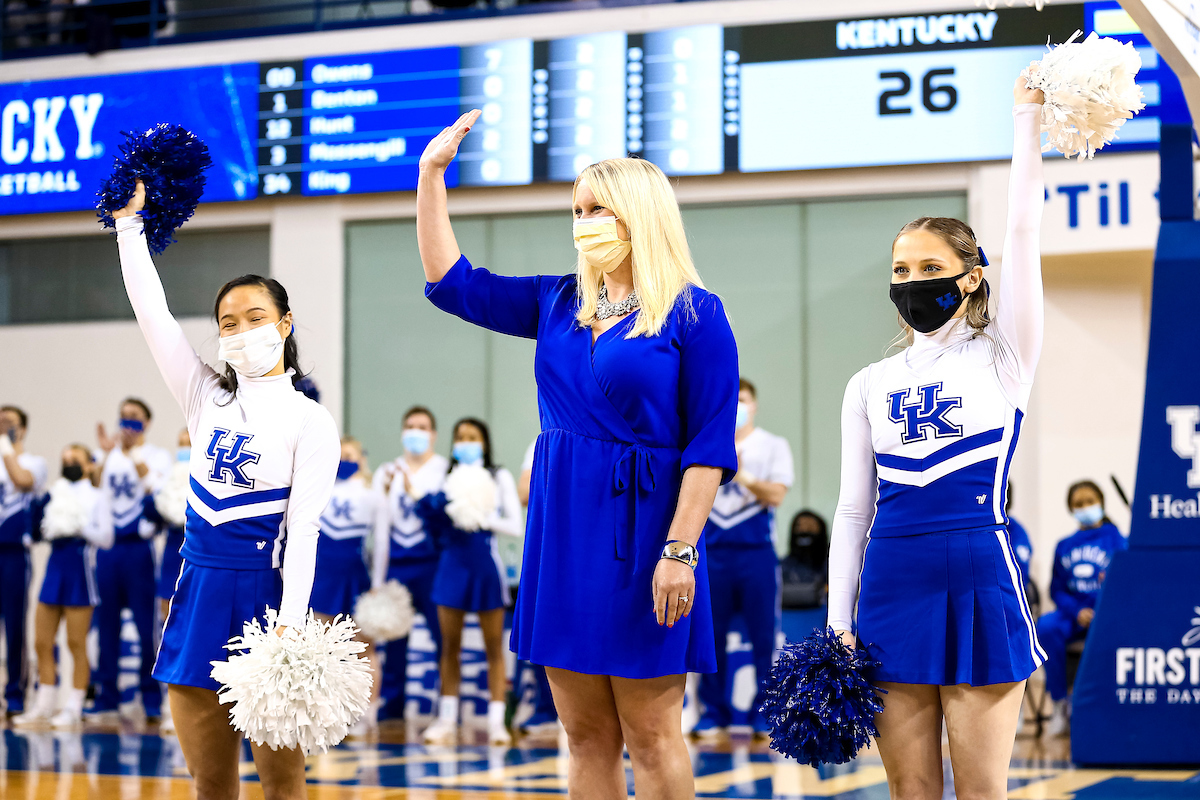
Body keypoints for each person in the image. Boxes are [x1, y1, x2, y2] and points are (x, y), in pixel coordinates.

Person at [418, 111, 738, 798]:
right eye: (577, 208)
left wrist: (680, 551)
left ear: (639, 215)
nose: (583, 220)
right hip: (562, 537)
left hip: (650, 537)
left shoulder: (696, 314)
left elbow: (708, 448)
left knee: (653, 736)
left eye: (599, 208)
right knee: (584, 735)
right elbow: (452, 282)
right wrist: (431, 177)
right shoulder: (555, 301)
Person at [828, 75, 1047, 800]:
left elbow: (1022, 230)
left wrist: (1027, 115)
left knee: (982, 791)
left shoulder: (1005, 355)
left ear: (973, 277)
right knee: (910, 792)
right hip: (890, 583)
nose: (913, 283)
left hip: (978, 574)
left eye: (930, 269)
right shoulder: (868, 383)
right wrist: (838, 622)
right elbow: (854, 513)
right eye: (901, 271)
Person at [113, 180, 339, 799]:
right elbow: (152, 316)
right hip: (199, 591)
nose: (240, 332)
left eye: (255, 319)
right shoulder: (204, 396)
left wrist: (291, 626)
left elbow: (305, 532)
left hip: (268, 604)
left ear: (284, 323)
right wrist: (130, 230)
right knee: (209, 784)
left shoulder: (309, 420)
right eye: (227, 324)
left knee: (282, 788)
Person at [695, 377, 792, 738]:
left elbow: (777, 494)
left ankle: (764, 712)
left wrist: (741, 472)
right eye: (732, 400)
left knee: (764, 636)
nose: (738, 407)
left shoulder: (772, 446)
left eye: (744, 400)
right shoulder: (705, 442)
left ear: (754, 405)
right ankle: (713, 713)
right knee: (710, 636)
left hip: (756, 553)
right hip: (712, 551)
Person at [420, 417, 522, 745]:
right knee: (449, 647)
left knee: (495, 648)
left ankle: (496, 722)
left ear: (485, 442)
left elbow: (515, 526)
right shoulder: (444, 476)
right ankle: (447, 719)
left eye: (472, 437)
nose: (465, 442)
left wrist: (481, 515)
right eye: (460, 437)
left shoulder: (499, 476)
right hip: (451, 565)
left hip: (484, 567)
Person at [14, 445, 112, 727]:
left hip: (80, 570)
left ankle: (74, 705)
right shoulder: (54, 494)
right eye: (65, 459)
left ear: (89, 465)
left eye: (74, 459)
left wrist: (78, 526)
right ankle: (44, 704)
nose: (68, 463)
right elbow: (36, 534)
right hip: (54, 569)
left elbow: (106, 538)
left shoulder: (96, 497)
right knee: (42, 641)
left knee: (75, 642)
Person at [91, 397, 170, 720]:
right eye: (123, 416)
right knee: (106, 623)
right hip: (109, 548)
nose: (127, 422)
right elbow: (94, 485)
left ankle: (151, 696)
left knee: (144, 624)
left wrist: (133, 451)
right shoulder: (107, 454)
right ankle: (107, 695)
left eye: (135, 417)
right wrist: (106, 455)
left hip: (140, 548)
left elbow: (156, 490)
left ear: (147, 423)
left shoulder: (157, 456)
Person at [371, 405, 447, 721]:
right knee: (394, 638)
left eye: (423, 427)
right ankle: (392, 703)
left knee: (443, 635)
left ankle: (447, 702)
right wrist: (377, 579)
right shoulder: (387, 472)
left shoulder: (445, 470)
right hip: (397, 564)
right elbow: (379, 529)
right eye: (411, 426)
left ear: (433, 434)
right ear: (403, 432)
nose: (416, 432)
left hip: (432, 562)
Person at [1035, 479, 1127, 737]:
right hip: (1075, 613)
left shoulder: (1118, 540)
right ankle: (1060, 704)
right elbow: (1056, 588)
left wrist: (1101, 610)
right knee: (1046, 626)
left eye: (1090, 501)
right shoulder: (1064, 545)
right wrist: (1076, 612)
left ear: (1101, 503)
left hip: (1106, 612)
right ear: (1071, 509)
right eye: (1078, 504)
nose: (1085, 507)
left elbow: (1124, 583)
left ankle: (1108, 707)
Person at [312, 436, 385, 733]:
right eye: (339, 455)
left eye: (350, 455)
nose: (344, 461)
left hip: (355, 574)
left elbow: (380, 544)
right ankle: (325, 711)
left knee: (363, 645)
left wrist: (377, 585)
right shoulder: (317, 489)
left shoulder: (373, 494)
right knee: (321, 647)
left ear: (361, 458)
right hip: (322, 574)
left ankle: (367, 712)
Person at [0, 405, 48, 718]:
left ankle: (15, 693)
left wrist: (7, 448)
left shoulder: (35, 462)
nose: (4, 426)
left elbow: (21, 479)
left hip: (14, 553)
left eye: (9, 423)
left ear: (23, 428)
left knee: (15, 624)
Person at [515, 436, 559, 734]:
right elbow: (523, 493)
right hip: (548, 550)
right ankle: (546, 709)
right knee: (541, 632)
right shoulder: (540, 442)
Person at [780, 510, 828, 610]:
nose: (804, 530)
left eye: (810, 527)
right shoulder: (781, 567)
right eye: (799, 527)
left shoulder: (832, 568)